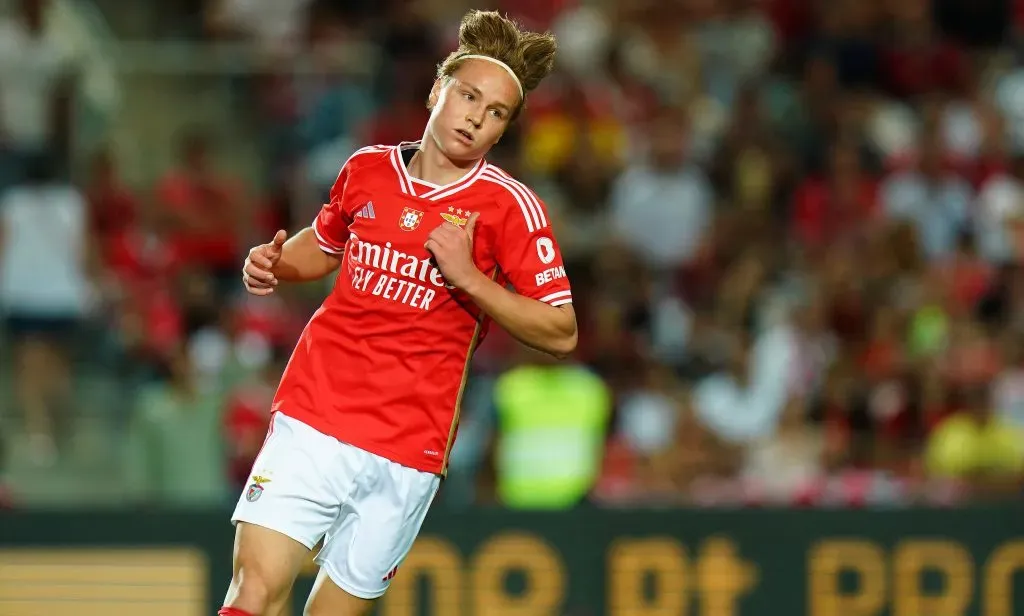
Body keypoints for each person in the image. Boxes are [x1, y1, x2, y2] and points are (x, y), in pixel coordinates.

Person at [223, 10, 576, 616]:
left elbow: (561, 331)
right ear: (438, 90)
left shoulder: (510, 208)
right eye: (469, 96)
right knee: (253, 592)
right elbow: (325, 245)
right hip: (315, 415)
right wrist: (276, 262)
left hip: (409, 447)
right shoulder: (366, 168)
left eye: (496, 113)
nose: (476, 117)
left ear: (503, 131)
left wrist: (470, 279)